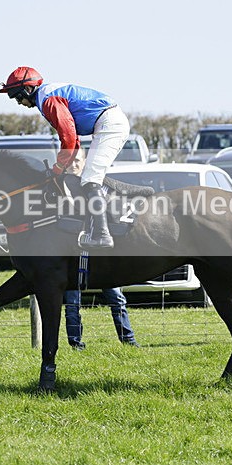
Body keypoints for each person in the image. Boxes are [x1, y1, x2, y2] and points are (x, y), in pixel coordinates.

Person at [0, 66, 130, 249]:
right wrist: (62, 165)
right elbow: (73, 140)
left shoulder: (48, 100)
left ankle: (102, 235)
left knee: (91, 180)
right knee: (89, 178)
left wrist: (59, 167)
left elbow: (68, 136)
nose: (18, 102)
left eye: (17, 96)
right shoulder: (45, 97)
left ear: (28, 89)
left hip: (109, 124)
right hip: (106, 122)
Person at [61, 149, 138, 349]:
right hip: (72, 254)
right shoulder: (59, 187)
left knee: (117, 298)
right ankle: (75, 344)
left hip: (100, 255)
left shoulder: (97, 184)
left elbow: (112, 209)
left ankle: (128, 341)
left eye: (77, 160)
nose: (73, 165)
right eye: (70, 161)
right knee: (72, 302)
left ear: (85, 161)